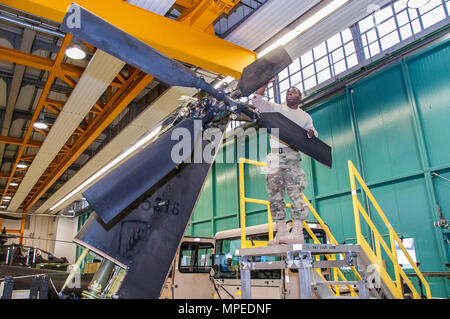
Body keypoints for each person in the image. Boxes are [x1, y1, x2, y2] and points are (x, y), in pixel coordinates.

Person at [252, 79, 318, 245]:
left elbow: (313, 134)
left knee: (295, 193)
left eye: (294, 91)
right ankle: (281, 232)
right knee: (274, 195)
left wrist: (310, 132)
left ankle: (297, 233)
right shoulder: (277, 109)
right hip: (274, 156)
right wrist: (265, 81)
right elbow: (256, 100)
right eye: (288, 90)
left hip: (291, 155)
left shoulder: (304, 116)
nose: (290, 92)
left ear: (300, 97)